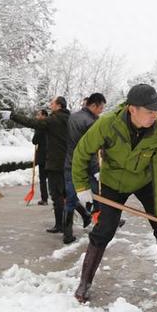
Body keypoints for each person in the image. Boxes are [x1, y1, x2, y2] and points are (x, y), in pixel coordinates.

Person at [72, 84, 157, 303]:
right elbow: (82, 153)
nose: (154, 115)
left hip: (144, 181)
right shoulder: (107, 124)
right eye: (149, 111)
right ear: (132, 109)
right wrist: (82, 188)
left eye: (156, 110)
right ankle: (85, 282)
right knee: (104, 230)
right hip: (113, 183)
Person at [4, 97, 70, 234]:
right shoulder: (71, 119)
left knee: (57, 195)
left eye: (52, 103)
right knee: (65, 194)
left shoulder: (54, 120)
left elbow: (31, 122)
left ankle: (60, 225)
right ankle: (78, 218)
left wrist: (13, 116)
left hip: (55, 162)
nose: (50, 105)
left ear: (58, 105)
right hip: (67, 161)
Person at [62, 92, 106, 244]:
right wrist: (96, 170)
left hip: (69, 163)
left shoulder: (73, 117)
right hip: (86, 167)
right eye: (101, 108)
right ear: (93, 105)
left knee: (71, 199)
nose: (101, 111)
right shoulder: (92, 122)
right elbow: (91, 150)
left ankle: (67, 234)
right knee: (96, 195)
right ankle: (101, 226)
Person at [33, 109, 50, 205]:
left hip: (43, 156)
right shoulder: (52, 125)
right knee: (53, 178)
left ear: (44, 116)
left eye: (38, 115)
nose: (36, 117)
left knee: (43, 178)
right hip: (52, 155)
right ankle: (58, 197)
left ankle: (44, 199)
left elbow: (34, 140)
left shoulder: (40, 126)